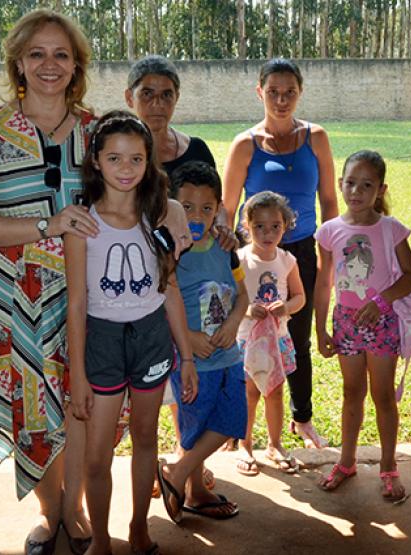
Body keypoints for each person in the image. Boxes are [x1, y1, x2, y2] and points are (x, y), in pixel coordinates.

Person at [0, 10, 96, 554]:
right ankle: (48, 510)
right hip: (15, 296)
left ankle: (75, 508)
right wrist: (46, 224)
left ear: (76, 64)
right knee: (31, 402)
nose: (49, 65)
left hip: (87, 297)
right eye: (37, 54)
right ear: (18, 62)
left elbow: (133, 194)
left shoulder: (95, 128)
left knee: (80, 400)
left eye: (61, 54)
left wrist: (177, 211)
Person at [64, 111, 198, 555]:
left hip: (151, 339)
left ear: (149, 163)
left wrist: (189, 356)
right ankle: (100, 539)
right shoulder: (82, 224)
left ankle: (139, 526)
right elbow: (78, 303)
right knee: (98, 454)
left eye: (136, 159)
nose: (126, 169)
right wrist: (78, 374)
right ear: (96, 162)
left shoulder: (157, 218)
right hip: (101, 340)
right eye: (115, 158)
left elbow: (170, 289)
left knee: (146, 438)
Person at [223, 58, 338, 449]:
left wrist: (329, 250)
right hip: (253, 253)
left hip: (302, 249)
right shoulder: (245, 145)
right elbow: (227, 208)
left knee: (295, 335)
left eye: (289, 92)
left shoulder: (316, 138)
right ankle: (241, 428)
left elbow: (328, 201)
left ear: (300, 93)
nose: (281, 99)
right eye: (273, 92)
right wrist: (227, 259)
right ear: (260, 92)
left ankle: (301, 418)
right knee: (246, 335)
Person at [125, 54, 225, 489]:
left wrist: (225, 232)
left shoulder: (196, 149)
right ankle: (149, 465)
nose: (157, 103)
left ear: (177, 98)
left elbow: (215, 206)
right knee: (146, 377)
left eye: (166, 94)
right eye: (147, 93)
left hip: (194, 282)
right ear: (130, 98)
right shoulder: (122, 149)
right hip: (139, 281)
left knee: (189, 375)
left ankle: (187, 466)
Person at [313, 151, 411, 503]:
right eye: (349, 183)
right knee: (351, 393)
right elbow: (324, 283)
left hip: (382, 323)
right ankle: (346, 463)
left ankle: (389, 467)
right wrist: (320, 328)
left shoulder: (391, 229)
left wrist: (381, 301)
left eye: (366, 185)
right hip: (344, 323)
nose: (356, 191)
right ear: (340, 184)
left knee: (384, 395)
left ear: (381, 189)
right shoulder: (329, 231)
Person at [157, 161, 247, 522]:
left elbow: (243, 293)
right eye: (188, 207)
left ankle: (177, 472)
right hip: (191, 359)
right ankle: (193, 488)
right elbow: (158, 299)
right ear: (172, 206)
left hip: (229, 356)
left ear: (219, 210)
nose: (197, 216)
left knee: (233, 420)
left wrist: (235, 321)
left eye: (207, 208)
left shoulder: (226, 248)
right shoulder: (170, 252)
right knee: (194, 427)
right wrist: (188, 339)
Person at [234, 191, 305, 476]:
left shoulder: (287, 260)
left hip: (277, 339)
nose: (268, 232)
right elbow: (228, 299)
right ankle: (245, 444)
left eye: (275, 226)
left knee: (274, 391)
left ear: (285, 225)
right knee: (250, 393)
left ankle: (275, 445)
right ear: (247, 227)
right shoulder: (239, 259)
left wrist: (285, 307)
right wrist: (248, 310)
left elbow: (300, 297)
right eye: (259, 226)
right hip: (246, 338)